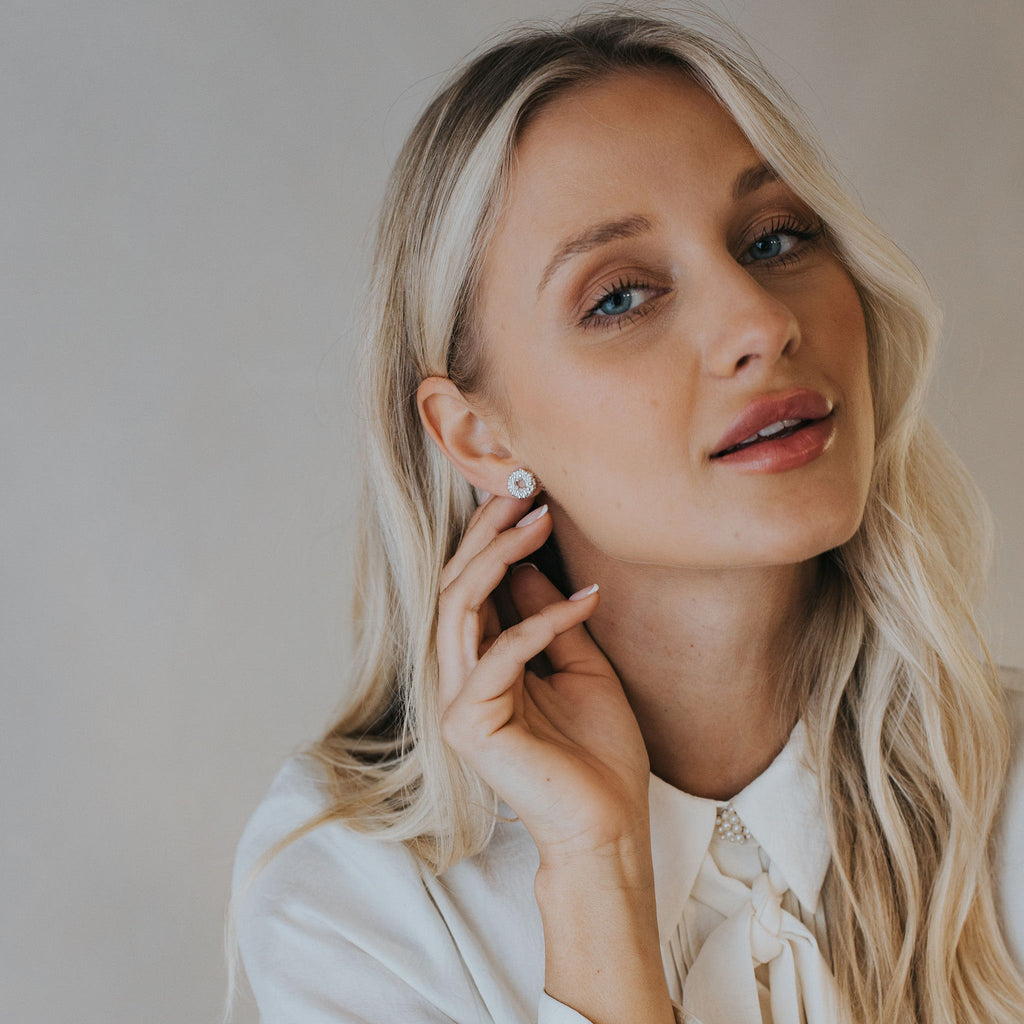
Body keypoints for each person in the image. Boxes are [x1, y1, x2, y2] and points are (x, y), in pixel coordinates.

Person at [231, 9, 1024, 1023]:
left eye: (775, 238)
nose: (760, 322)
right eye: (618, 297)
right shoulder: (362, 897)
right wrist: (593, 871)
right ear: (479, 437)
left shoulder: (1003, 797)